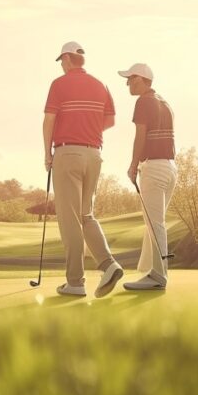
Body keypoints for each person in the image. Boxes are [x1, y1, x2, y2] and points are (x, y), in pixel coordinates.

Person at [43, 41, 124, 298]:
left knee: (70, 220)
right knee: (86, 215)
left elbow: (49, 120)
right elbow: (110, 120)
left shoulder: (59, 84)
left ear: (67, 59)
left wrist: (47, 153)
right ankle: (109, 265)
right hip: (94, 154)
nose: (62, 65)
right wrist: (87, 129)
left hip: (68, 153)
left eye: (62, 60)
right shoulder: (101, 85)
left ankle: (76, 282)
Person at [117, 63, 178, 291]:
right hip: (170, 167)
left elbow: (140, 136)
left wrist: (133, 165)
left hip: (153, 168)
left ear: (142, 80)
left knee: (155, 225)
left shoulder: (143, 101)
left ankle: (158, 278)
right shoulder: (164, 102)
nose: (127, 84)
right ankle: (152, 272)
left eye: (130, 79)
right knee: (155, 224)